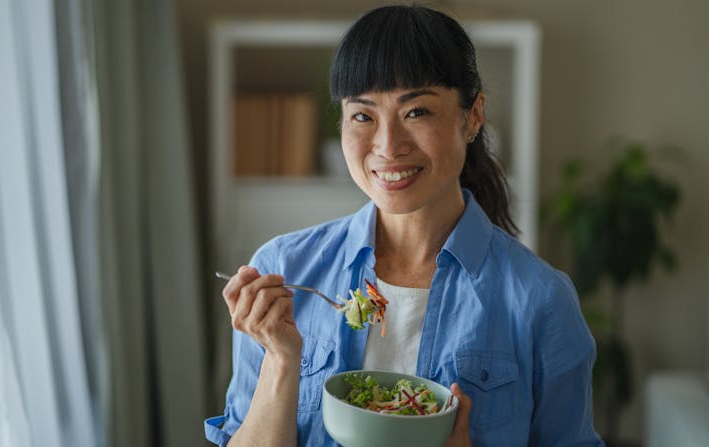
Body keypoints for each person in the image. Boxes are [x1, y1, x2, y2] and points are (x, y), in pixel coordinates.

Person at [205, 5, 604, 446]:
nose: (388, 146)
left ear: (472, 116)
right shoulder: (284, 269)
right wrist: (282, 360)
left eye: (416, 112)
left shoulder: (540, 300)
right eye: (363, 115)